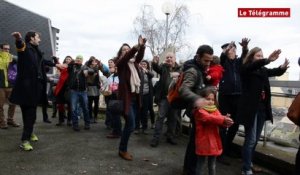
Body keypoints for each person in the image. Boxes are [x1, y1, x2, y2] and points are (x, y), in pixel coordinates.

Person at [237, 47, 289, 175]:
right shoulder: (246, 69)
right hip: (251, 109)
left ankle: (249, 163)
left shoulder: (262, 70)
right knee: (251, 139)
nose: (260, 58)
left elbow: (274, 72)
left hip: (261, 108)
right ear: (252, 57)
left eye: (261, 56)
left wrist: (282, 67)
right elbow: (251, 67)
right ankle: (246, 169)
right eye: (258, 56)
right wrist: (267, 60)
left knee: (254, 140)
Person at [10, 31, 65, 151]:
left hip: (34, 88)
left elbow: (44, 61)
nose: (39, 39)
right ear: (31, 38)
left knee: (29, 114)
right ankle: (24, 141)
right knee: (30, 114)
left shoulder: (37, 51)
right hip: (25, 88)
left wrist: (56, 65)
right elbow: (20, 47)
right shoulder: (26, 48)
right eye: (38, 37)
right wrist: (18, 39)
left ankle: (29, 133)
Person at [179, 45, 214, 175]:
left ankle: (189, 169)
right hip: (196, 110)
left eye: (210, 60)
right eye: (206, 60)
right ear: (198, 57)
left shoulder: (200, 67)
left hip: (198, 110)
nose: (208, 63)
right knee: (195, 143)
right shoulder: (193, 71)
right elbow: (183, 89)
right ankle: (190, 170)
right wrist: (197, 99)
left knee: (194, 142)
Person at [218, 38, 250, 163]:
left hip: (238, 96)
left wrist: (245, 48)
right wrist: (226, 51)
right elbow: (222, 57)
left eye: (232, 48)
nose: (230, 50)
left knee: (235, 124)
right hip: (225, 96)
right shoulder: (223, 62)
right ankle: (220, 153)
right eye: (228, 49)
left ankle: (226, 148)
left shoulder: (239, 62)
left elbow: (244, 55)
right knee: (223, 124)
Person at [115, 35, 146, 161]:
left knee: (130, 124)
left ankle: (122, 148)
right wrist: (135, 47)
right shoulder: (120, 63)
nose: (126, 51)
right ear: (121, 52)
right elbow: (127, 56)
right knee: (131, 125)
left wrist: (142, 46)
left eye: (128, 49)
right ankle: (122, 150)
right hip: (126, 100)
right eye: (124, 49)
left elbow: (139, 57)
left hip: (135, 99)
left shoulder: (135, 63)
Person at [194, 86, 233, 175]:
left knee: (212, 165)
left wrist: (226, 121)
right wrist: (223, 119)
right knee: (201, 164)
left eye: (213, 99)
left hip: (213, 142)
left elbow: (218, 119)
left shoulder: (215, 110)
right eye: (208, 99)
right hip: (203, 142)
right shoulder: (199, 111)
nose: (211, 102)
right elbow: (209, 118)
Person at [150, 52, 181, 147]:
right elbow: (156, 68)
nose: (169, 59)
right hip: (164, 98)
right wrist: (154, 63)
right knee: (160, 117)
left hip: (175, 98)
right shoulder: (164, 68)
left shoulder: (180, 69)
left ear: (175, 59)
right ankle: (155, 138)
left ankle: (170, 137)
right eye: (167, 57)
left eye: (171, 57)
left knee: (173, 118)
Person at [67, 55, 90, 131]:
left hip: (83, 91)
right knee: (73, 109)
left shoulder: (84, 67)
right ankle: (75, 125)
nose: (78, 60)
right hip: (74, 91)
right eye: (77, 58)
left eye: (80, 59)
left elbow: (90, 71)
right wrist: (73, 62)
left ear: (82, 60)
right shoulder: (72, 67)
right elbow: (68, 67)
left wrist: (87, 72)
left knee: (85, 108)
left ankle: (87, 124)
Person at [0, 43, 19, 129]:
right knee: (0, 106)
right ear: (1, 49)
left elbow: (20, 59)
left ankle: (10, 120)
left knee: (13, 104)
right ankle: (2, 122)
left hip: (11, 85)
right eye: (5, 49)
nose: (7, 50)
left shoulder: (12, 57)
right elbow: (3, 63)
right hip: (1, 86)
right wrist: (8, 59)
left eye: (8, 49)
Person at [85, 56, 109, 123]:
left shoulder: (97, 66)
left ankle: (95, 117)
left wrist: (100, 64)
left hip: (96, 86)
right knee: (89, 103)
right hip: (89, 86)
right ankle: (90, 117)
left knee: (96, 103)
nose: (93, 62)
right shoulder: (87, 67)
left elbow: (105, 71)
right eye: (92, 61)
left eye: (94, 61)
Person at [136, 60, 155, 134]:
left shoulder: (148, 73)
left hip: (147, 95)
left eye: (145, 64)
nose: (143, 65)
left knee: (145, 111)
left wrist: (146, 71)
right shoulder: (138, 72)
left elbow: (152, 75)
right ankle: (137, 127)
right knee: (138, 111)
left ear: (147, 65)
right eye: (142, 64)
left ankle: (145, 127)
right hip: (139, 95)